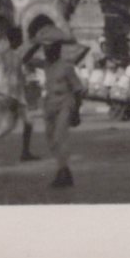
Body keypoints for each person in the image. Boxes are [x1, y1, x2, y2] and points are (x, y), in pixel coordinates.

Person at [0, 27, 39, 163]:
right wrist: (37, 43)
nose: (21, 41)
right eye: (19, 38)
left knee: (21, 123)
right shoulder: (10, 53)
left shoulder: (10, 53)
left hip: (14, 93)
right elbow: (25, 55)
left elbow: (25, 57)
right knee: (11, 125)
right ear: (15, 39)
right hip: (10, 93)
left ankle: (24, 152)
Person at [39, 41, 85, 188]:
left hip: (65, 103)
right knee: (50, 138)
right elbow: (25, 58)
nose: (46, 52)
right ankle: (65, 170)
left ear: (57, 50)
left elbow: (78, 90)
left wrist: (76, 112)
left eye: (49, 48)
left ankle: (62, 173)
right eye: (45, 49)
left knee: (60, 137)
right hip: (50, 103)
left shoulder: (66, 67)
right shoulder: (46, 66)